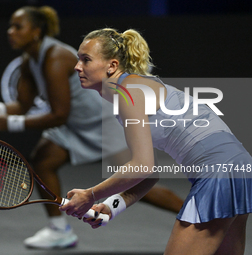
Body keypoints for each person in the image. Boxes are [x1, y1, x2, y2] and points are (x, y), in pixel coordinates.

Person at [0, 6, 184, 249]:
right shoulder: (29, 62)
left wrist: (11, 123)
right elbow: (23, 104)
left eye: (18, 27)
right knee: (44, 160)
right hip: (76, 124)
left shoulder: (54, 58)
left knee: (139, 182)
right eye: (10, 26)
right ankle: (59, 230)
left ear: (35, 31)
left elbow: (58, 115)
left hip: (102, 123)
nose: (10, 32)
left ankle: (194, 214)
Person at [60, 27, 252, 254]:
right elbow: (150, 172)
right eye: (78, 59)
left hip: (217, 174)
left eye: (86, 59)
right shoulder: (135, 88)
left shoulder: (127, 92)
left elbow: (142, 166)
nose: (77, 66)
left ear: (111, 66)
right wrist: (113, 205)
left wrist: (90, 195)